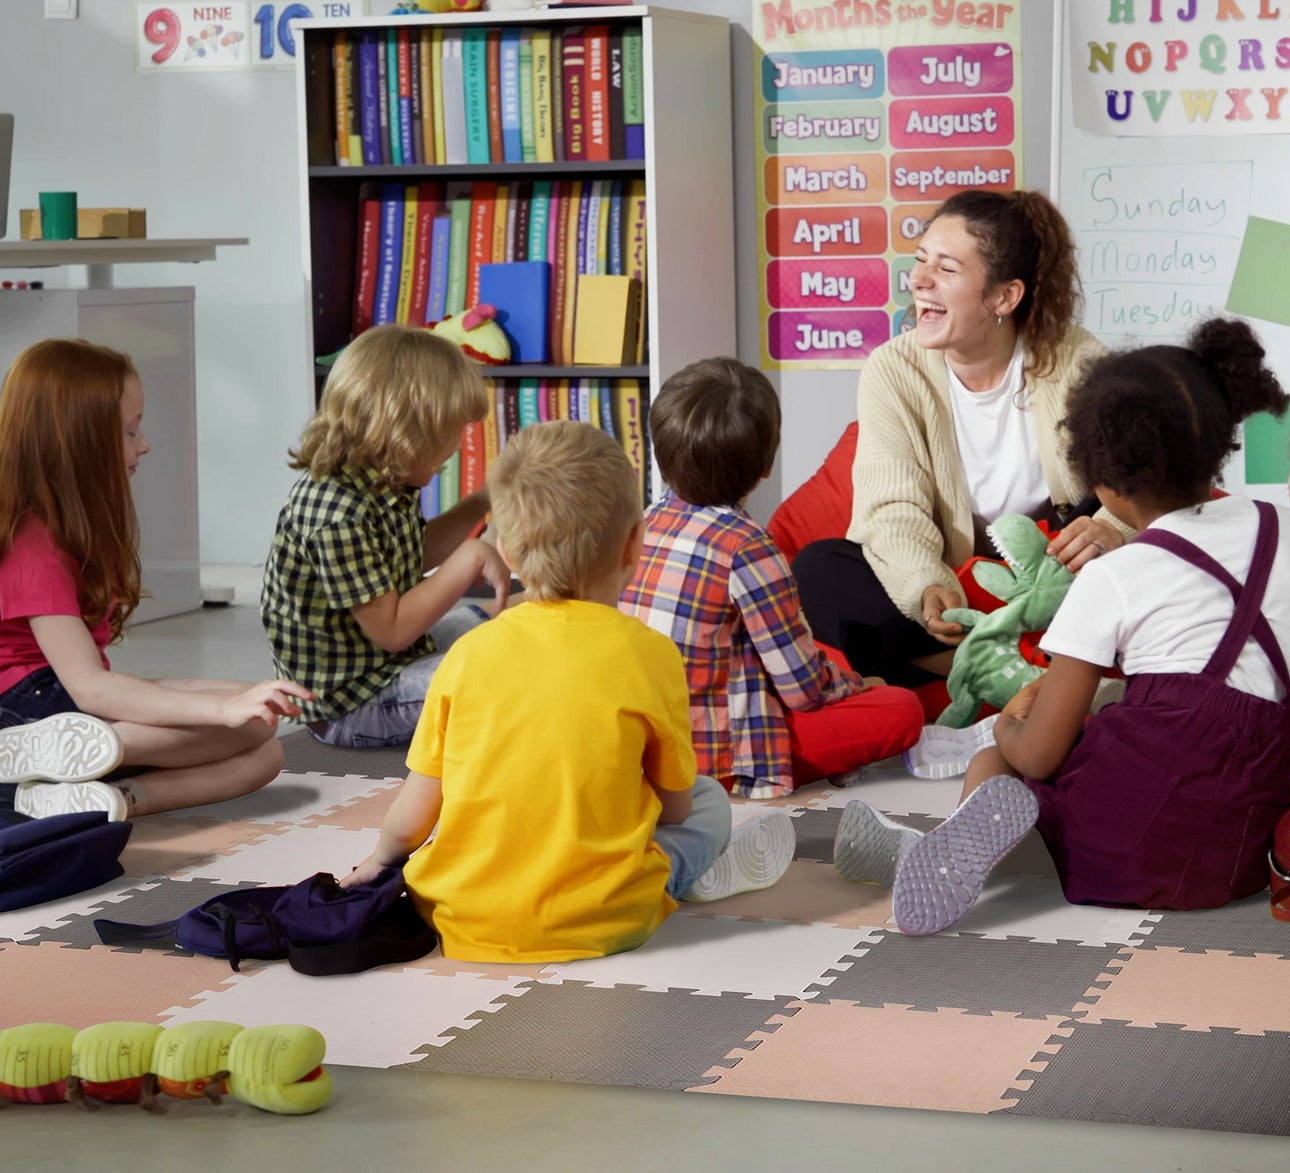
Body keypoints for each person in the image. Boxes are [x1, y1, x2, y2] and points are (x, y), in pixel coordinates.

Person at [834, 318, 1290, 932]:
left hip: (1128, 849)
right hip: (1241, 849)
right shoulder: (1279, 525)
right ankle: (945, 849)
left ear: (1102, 480)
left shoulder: (1113, 577)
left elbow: (1040, 754)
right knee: (1122, 716)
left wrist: (1012, 725)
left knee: (996, 766)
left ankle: (939, 853)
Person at [340, 420, 796, 962]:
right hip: (608, 916)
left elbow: (413, 816)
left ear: (506, 553)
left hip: (458, 916)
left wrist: (377, 863)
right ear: (634, 546)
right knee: (708, 799)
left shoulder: (467, 655)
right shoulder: (649, 654)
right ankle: (680, 881)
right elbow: (674, 811)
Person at [794, 188, 1129, 691]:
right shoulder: (894, 369)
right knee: (819, 568)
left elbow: (1142, 481)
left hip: (1054, 576)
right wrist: (923, 584)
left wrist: (1112, 527)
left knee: (1134, 538)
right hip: (961, 587)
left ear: (1003, 296)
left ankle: (995, 669)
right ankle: (1004, 673)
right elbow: (891, 508)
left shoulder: (1076, 361)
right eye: (921, 260)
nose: (920, 280)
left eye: (947, 270)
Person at [0, 339, 310, 820]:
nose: (144, 444)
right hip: (28, 710)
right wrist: (222, 712)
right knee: (241, 722)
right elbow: (91, 689)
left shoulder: (62, 528)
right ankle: (73, 752)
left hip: (64, 701)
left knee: (264, 744)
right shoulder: (32, 543)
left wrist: (237, 700)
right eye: (130, 430)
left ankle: (110, 799)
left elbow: (99, 683)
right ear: (79, 440)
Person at [620, 358, 923, 798]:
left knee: (819, 654)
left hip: (644, 743)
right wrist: (860, 685)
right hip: (714, 760)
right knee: (901, 708)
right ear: (766, 467)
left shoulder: (644, 521)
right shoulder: (749, 547)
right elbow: (803, 691)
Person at [261, 324, 511, 748]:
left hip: (391, 661)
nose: (456, 447)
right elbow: (392, 630)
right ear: (405, 431)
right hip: (356, 704)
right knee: (503, 674)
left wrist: (481, 502)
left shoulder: (382, 481)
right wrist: (470, 556)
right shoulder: (336, 513)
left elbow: (411, 556)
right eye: (450, 431)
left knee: (506, 628)